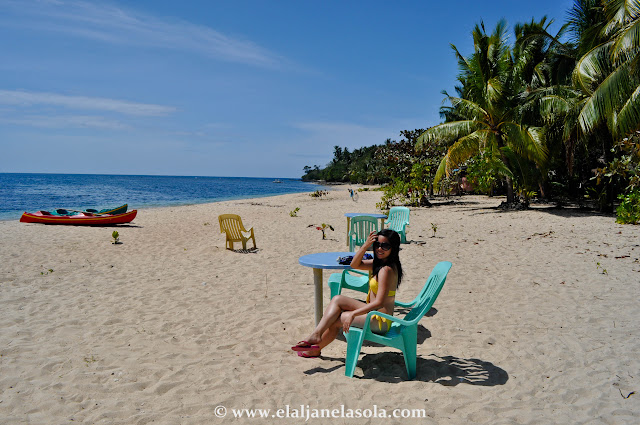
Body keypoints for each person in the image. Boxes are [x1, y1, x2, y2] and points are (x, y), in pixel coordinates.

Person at [292, 229, 403, 358]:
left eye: (385, 246)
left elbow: (379, 302)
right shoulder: (380, 264)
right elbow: (354, 264)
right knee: (338, 299)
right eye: (377, 244)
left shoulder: (386, 270)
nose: (379, 248)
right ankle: (316, 335)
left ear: (393, 248)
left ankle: (315, 346)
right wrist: (365, 246)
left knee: (336, 319)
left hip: (380, 321)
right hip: (374, 313)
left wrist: (353, 314)